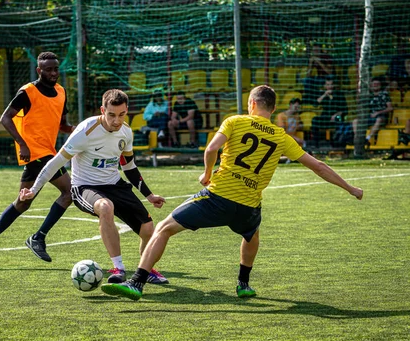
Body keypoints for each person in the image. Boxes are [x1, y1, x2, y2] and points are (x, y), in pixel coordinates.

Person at [101, 85, 363, 301]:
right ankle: (243, 284)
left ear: (251, 103)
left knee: (164, 228)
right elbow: (318, 166)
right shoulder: (282, 137)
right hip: (248, 205)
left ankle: (136, 282)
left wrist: (206, 173)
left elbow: (211, 148)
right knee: (251, 234)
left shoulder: (236, 121)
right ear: (272, 109)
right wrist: (350, 188)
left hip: (217, 198)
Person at [19, 89, 169, 285]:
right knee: (105, 207)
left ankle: (146, 270)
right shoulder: (86, 130)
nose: (117, 120)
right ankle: (118, 268)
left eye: (122, 115)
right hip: (85, 187)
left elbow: (129, 167)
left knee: (148, 229)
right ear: (102, 110)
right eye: (112, 115)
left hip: (114, 184)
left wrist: (148, 195)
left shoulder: (125, 132)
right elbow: (55, 163)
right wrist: (33, 190)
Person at [0, 52, 75, 269]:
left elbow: (62, 124)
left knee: (24, 202)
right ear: (39, 71)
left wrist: (81, 132)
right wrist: (23, 144)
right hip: (37, 152)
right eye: (48, 69)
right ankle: (38, 237)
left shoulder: (61, 92)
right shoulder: (28, 92)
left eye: (55, 69)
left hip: (48, 151)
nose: (53, 73)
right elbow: (5, 118)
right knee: (69, 192)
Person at [352, 76, 393, 146]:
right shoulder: (369, 95)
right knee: (355, 121)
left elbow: (390, 108)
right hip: (370, 116)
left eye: (377, 84)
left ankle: (368, 139)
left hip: (381, 116)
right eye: (374, 84)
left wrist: (378, 113)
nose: (375, 86)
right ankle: (357, 139)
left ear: (380, 85)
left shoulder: (384, 94)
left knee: (379, 119)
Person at [310, 78, 348, 148]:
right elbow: (315, 104)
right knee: (315, 120)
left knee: (339, 119)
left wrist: (336, 115)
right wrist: (324, 95)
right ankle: (315, 144)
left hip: (337, 117)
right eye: (327, 84)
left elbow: (345, 110)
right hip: (326, 117)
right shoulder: (322, 94)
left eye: (331, 84)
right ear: (324, 86)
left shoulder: (339, 94)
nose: (330, 86)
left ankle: (336, 143)